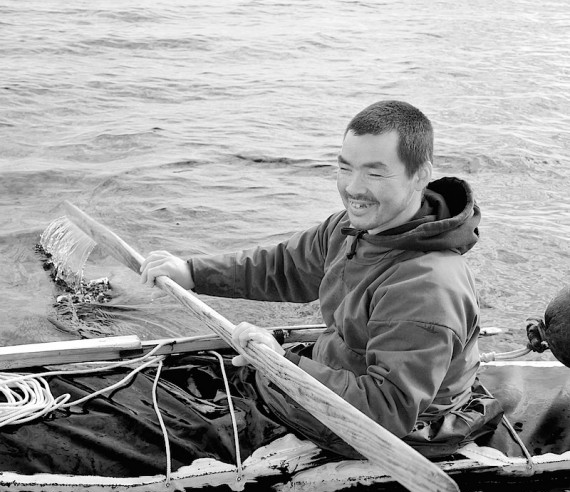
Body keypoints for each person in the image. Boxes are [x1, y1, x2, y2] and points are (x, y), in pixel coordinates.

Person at [140, 100, 503, 459]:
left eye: (375, 173)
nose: (353, 188)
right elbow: (284, 266)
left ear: (420, 175)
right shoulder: (353, 228)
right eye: (345, 168)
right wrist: (190, 272)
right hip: (337, 376)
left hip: (389, 427)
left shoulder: (427, 287)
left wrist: (283, 364)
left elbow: (386, 409)